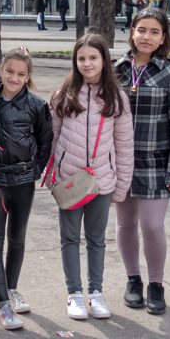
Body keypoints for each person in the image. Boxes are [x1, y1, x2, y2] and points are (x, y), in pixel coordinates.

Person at [46, 33, 133, 321]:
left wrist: (120, 187)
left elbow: (124, 145)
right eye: (81, 58)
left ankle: (96, 293)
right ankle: (74, 295)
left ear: (104, 61)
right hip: (69, 179)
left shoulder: (116, 98)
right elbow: (52, 136)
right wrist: (51, 174)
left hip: (102, 181)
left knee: (96, 240)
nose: (87, 63)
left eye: (93, 58)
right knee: (69, 238)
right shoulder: (63, 93)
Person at [114, 7, 170, 315]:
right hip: (120, 162)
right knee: (125, 223)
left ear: (163, 38)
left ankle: (156, 284)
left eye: (154, 32)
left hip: (157, 163)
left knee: (153, 225)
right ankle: (133, 280)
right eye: (142, 29)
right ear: (132, 31)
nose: (147, 36)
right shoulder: (116, 68)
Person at [0, 48, 52, 330]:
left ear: (28, 76)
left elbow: (45, 141)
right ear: (0, 70)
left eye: (21, 74)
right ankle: (3, 305)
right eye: (9, 72)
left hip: (23, 181)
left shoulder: (37, 106)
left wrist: (35, 169)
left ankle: (13, 288)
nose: (14, 78)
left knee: (17, 237)